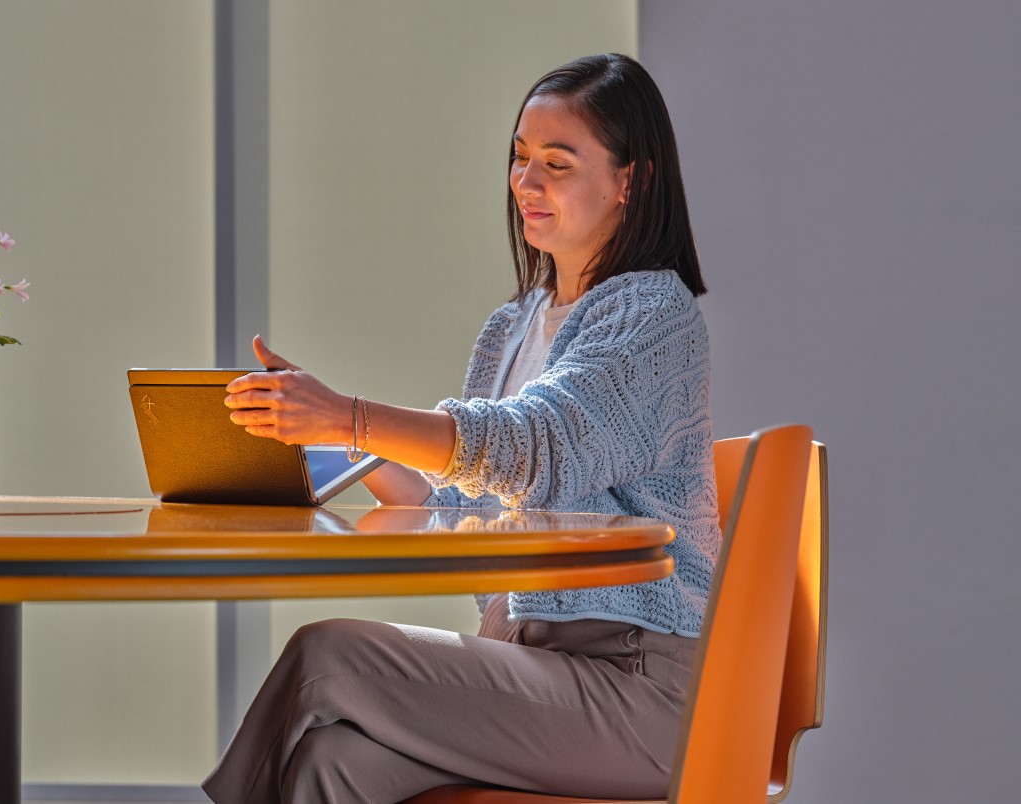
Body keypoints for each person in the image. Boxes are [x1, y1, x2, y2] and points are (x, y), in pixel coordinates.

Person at [202, 53, 720, 803]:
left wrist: (347, 411)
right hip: (534, 668)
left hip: (637, 688)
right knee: (329, 766)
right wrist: (333, 433)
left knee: (328, 658)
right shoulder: (513, 327)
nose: (527, 183)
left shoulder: (653, 318)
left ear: (629, 180)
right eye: (519, 157)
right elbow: (456, 501)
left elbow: (535, 446)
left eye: (557, 163)